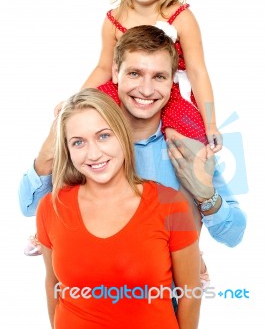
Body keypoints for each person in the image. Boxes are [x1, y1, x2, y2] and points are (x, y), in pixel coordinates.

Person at [19, 26, 246, 278]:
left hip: (161, 299)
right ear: (116, 73)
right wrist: (48, 151)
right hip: (90, 294)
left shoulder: (187, 146)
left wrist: (207, 196)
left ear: (173, 80)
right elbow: (29, 206)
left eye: (159, 76)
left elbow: (235, 235)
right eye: (135, 73)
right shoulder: (92, 142)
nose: (146, 90)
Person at [37, 88, 201, 328]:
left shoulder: (171, 205)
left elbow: (190, 294)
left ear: (122, 135)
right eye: (78, 142)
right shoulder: (51, 207)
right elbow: (53, 286)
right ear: (68, 150)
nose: (93, 154)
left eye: (104, 136)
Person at [78, 0, 222, 151]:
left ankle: (187, 180)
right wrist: (77, 101)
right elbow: (104, 67)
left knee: (190, 140)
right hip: (129, 88)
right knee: (91, 114)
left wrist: (211, 124)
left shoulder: (181, 16)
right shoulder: (114, 20)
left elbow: (197, 71)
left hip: (170, 92)